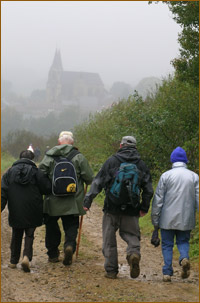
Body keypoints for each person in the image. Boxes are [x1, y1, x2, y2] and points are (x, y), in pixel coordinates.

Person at [83, 136, 154, 279]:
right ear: (135, 147)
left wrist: (87, 201)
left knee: (109, 239)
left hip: (112, 207)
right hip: (132, 208)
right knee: (132, 235)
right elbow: (148, 189)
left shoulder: (112, 161)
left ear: (121, 146)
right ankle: (133, 254)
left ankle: (111, 270)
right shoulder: (141, 165)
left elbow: (98, 182)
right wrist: (144, 207)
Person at [39, 131, 93, 265]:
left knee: (51, 226)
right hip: (73, 201)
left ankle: (52, 254)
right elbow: (90, 178)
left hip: (52, 200)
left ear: (58, 142)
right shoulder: (79, 157)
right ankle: (69, 246)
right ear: (72, 142)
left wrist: (47, 189)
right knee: (70, 226)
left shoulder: (49, 156)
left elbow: (40, 175)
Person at [151, 146, 199, 282]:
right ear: (185, 160)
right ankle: (184, 258)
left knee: (167, 244)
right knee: (183, 241)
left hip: (167, 218)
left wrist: (155, 219)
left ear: (172, 160)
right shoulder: (194, 177)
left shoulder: (166, 176)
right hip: (186, 218)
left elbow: (158, 200)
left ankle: (167, 272)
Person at [1, 150, 51, 272]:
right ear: (32, 159)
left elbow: (3, 192)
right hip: (33, 208)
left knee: (16, 233)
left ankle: (13, 261)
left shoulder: (9, 173)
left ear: (19, 158)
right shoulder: (37, 172)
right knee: (29, 234)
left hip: (16, 208)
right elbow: (47, 188)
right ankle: (26, 258)